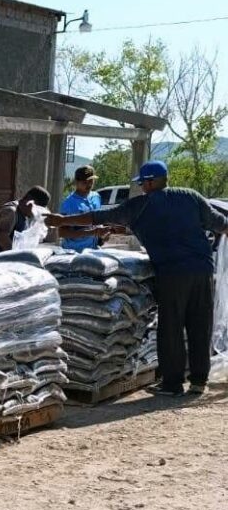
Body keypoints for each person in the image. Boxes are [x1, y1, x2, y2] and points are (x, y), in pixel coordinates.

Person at [46, 160, 228, 396]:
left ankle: (172, 384)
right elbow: (220, 223)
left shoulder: (141, 204)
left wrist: (61, 221)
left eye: (142, 183)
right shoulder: (191, 196)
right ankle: (198, 382)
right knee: (200, 324)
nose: (142, 187)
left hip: (172, 273)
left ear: (150, 182)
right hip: (202, 270)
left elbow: (99, 216)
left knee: (171, 326)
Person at [0, 186, 52, 252]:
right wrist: (16, 257)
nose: (36, 213)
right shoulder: (10, 212)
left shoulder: (25, 214)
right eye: (36, 209)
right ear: (29, 202)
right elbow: (2, 239)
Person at [58, 166, 111, 251]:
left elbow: (98, 221)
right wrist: (91, 233)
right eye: (85, 182)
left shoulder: (96, 197)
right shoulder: (68, 203)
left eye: (91, 181)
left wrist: (103, 236)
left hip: (93, 250)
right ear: (76, 182)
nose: (89, 184)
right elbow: (62, 232)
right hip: (74, 251)